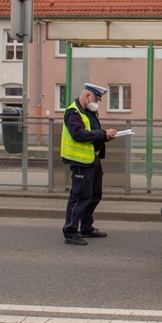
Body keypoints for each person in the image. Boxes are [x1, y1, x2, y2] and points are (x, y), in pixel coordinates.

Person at [61, 83, 117, 245]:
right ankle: (70, 232)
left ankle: (86, 227)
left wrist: (105, 136)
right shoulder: (73, 112)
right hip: (81, 162)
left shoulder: (88, 112)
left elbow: (91, 132)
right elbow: (78, 134)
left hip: (92, 159)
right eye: (96, 99)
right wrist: (103, 134)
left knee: (94, 195)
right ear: (87, 96)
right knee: (79, 197)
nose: (97, 103)